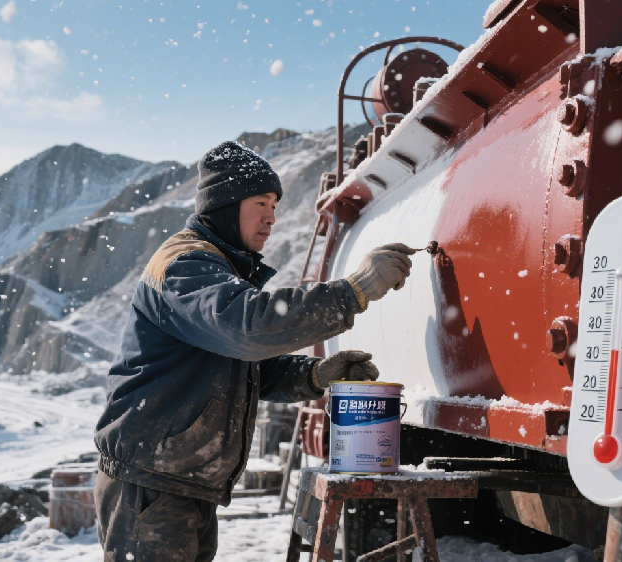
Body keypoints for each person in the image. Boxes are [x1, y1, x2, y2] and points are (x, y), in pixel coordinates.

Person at [93, 140, 416, 561]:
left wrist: (314, 376)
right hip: (150, 485)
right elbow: (248, 329)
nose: (271, 218)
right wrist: (352, 292)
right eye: (260, 203)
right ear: (225, 206)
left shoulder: (219, 268)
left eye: (275, 205)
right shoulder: (185, 264)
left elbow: (242, 367)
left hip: (177, 480)